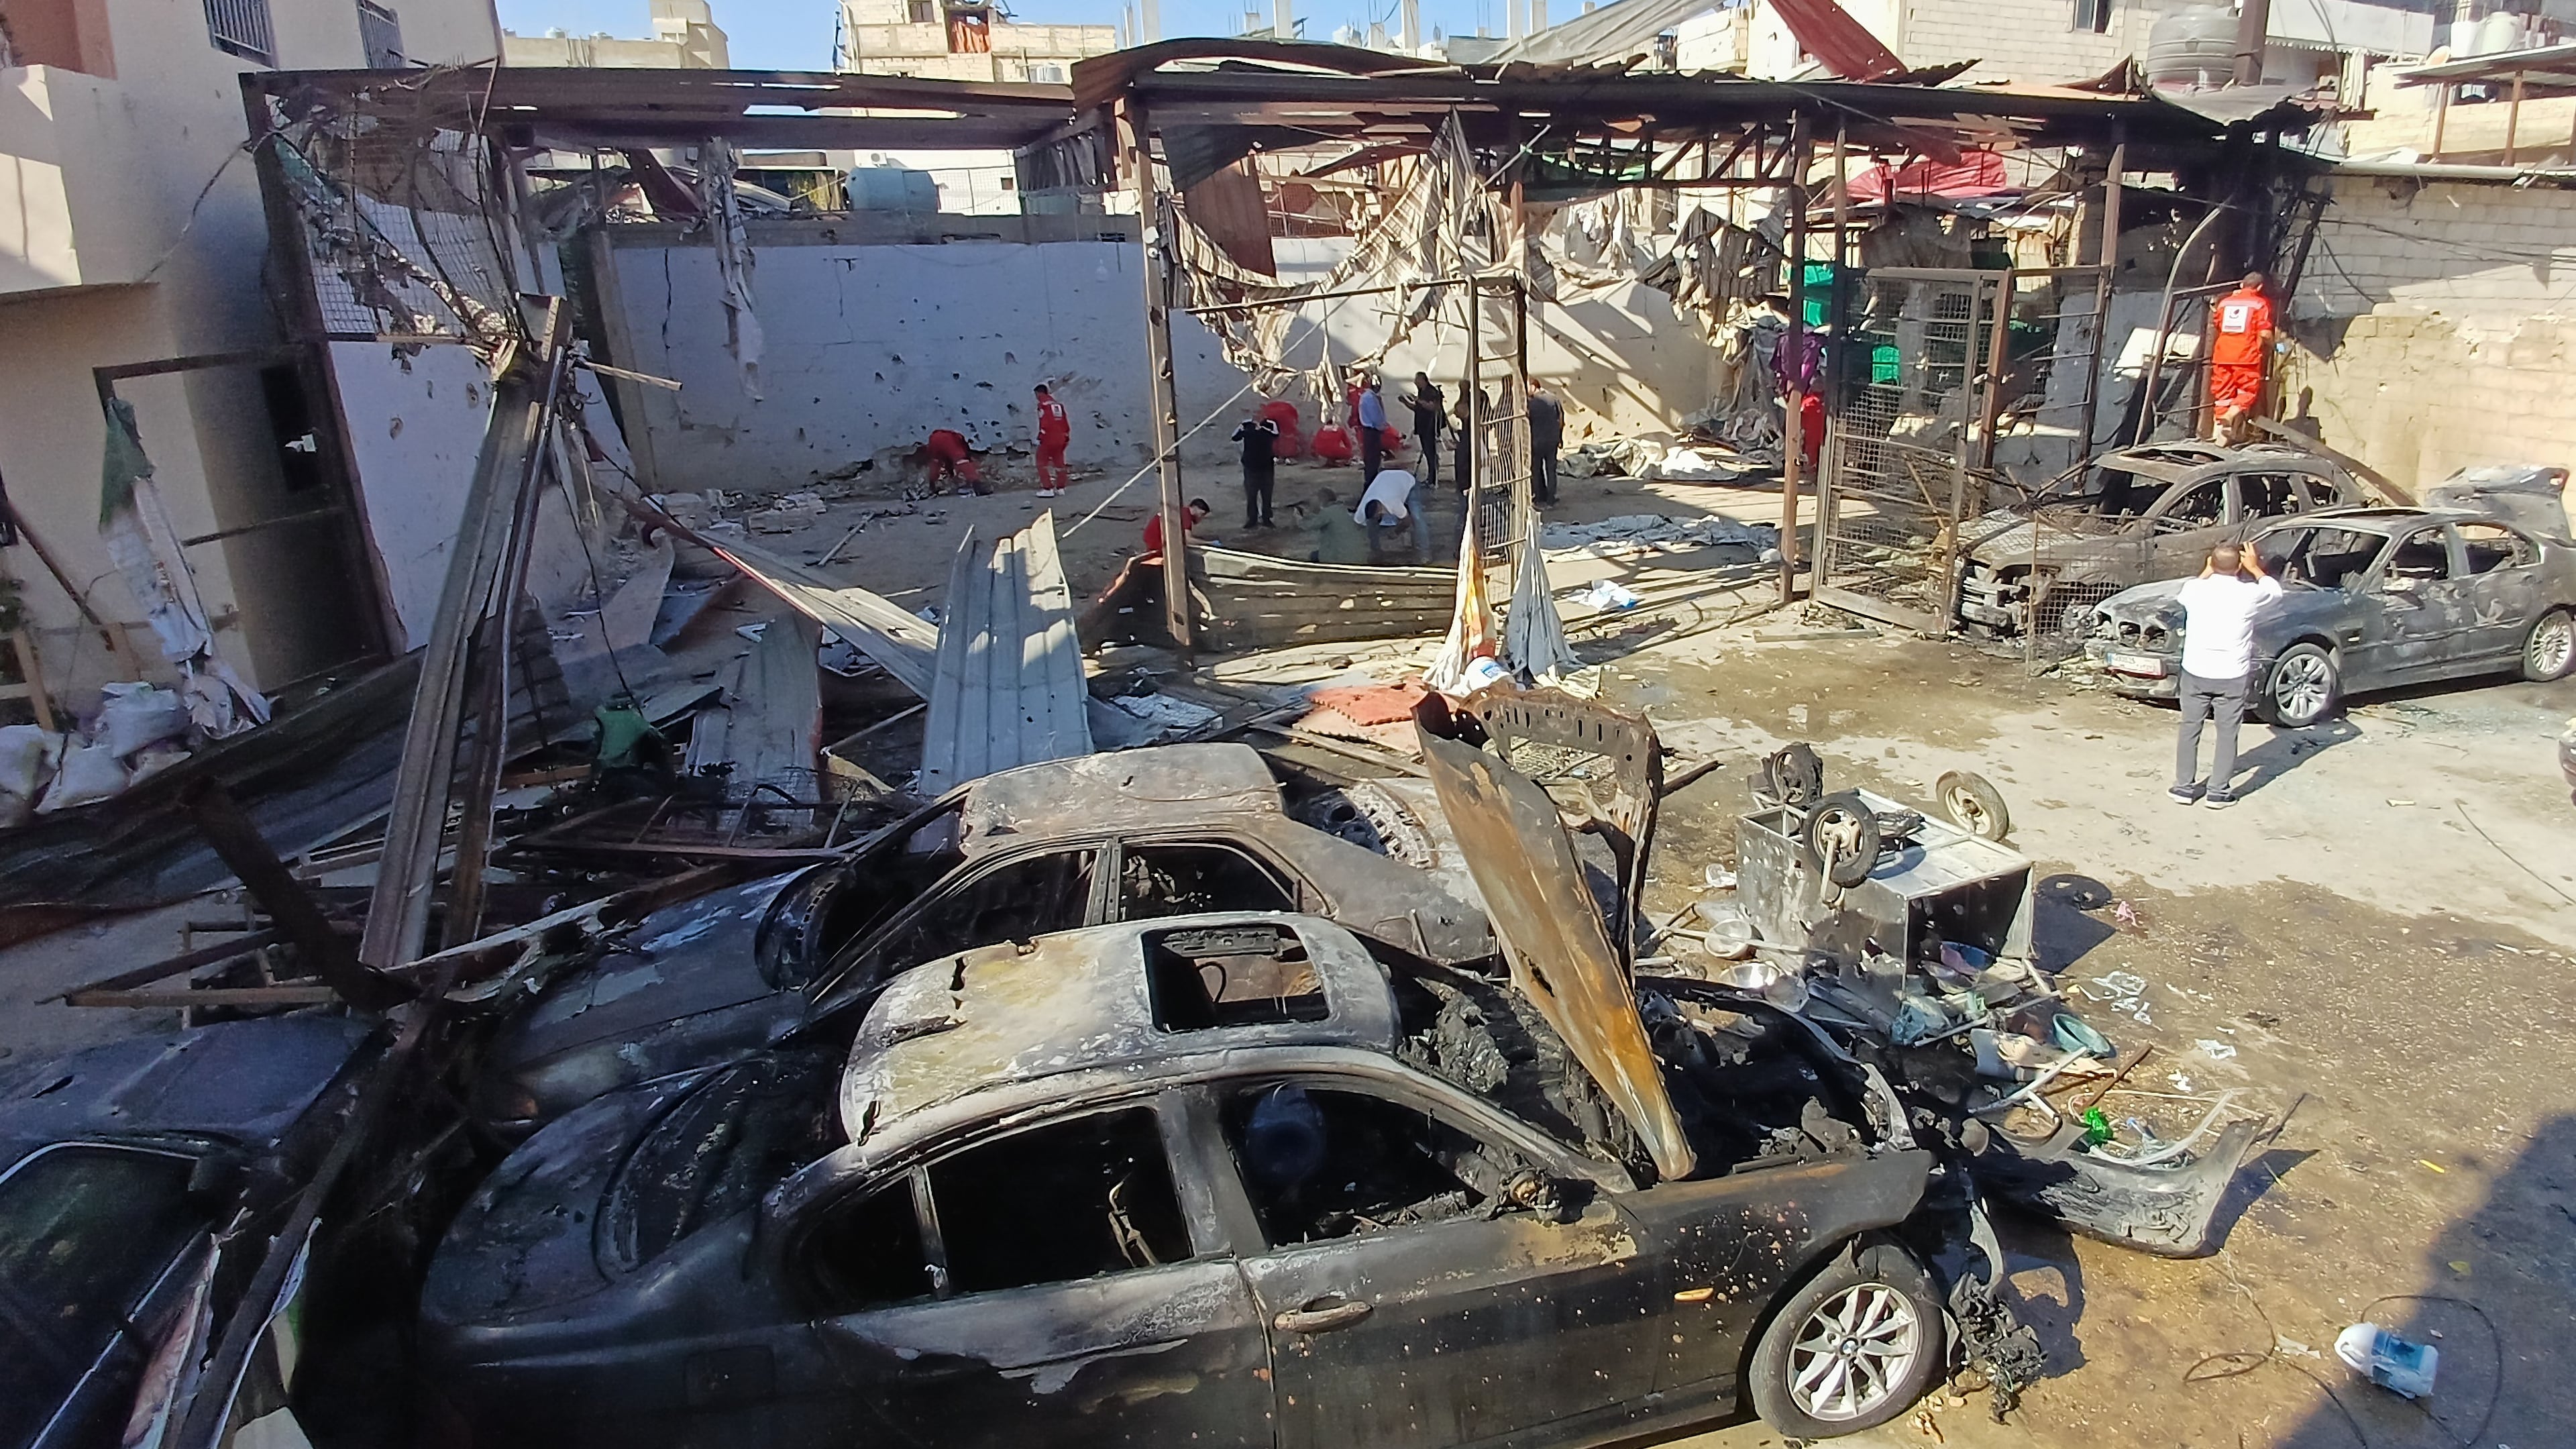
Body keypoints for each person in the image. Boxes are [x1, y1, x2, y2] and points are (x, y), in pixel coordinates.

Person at [2171, 541, 2283, 810]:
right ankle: (2218, 792)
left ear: (2211, 562)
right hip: (2232, 673)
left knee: (2189, 728)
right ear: (2240, 566)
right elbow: (2275, 592)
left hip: (2197, 670)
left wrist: (2208, 570)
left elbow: (2189, 592)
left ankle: (2184, 788)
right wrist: (2255, 568)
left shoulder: (2195, 589)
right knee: (2227, 733)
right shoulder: (2249, 594)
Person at [2208, 272, 2275, 444]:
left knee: (2223, 395)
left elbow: (2218, 324)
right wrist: (2276, 346)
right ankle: (2230, 416)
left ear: (2241, 285)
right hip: (2246, 356)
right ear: (2259, 287)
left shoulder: (2224, 303)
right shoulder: (2260, 304)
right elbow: (2265, 333)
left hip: (2222, 355)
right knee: (2247, 392)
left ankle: (2220, 435)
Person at [1354, 466, 1427, 561]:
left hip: (1406, 480)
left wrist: (1396, 532)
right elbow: (1357, 525)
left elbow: (1407, 520)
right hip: (1383, 477)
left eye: (1379, 516)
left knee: (1417, 516)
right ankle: (1376, 551)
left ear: (1380, 509)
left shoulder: (1393, 503)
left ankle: (1424, 553)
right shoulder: (1362, 508)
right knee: (1371, 524)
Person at [1230, 409, 1281, 529]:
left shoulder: (1270, 425)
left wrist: (1262, 428)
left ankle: (1267, 518)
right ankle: (1252, 519)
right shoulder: (1246, 425)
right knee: (1251, 494)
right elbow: (1235, 437)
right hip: (1250, 466)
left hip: (1267, 466)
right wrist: (1245, 427)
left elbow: (1276, 435)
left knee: (1267, 494)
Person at [1399, 372, 1447, 489]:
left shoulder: (1431, 392)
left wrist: (1418, 400)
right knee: (1427, 453)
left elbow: (1433, 407)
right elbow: (1418, 408)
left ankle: (1433, 479)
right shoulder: (1422, 393)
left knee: (1431, 453)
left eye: (1417, 380)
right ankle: (1430, 478)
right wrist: (1405, 402)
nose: (1415, 383)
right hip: (1422, 427)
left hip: (1430, 427)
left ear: (1423, 380)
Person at [1302, 488, 1371, 564]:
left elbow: (1307, 525)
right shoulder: (1344, 509)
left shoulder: (1328, 512)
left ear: (1321, 502)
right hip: (1360, 558)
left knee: (1313, 556)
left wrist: (1300, 517)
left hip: (1340, 559)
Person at [1527, 384, 1564, 505]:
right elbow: (1561, 420)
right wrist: (1560, 437)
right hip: (1552, 440)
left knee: (1536, 470)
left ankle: (1539, 497)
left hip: (1536, 442)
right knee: (1551, 470)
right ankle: (1551, 498)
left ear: (1534, 386)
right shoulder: (1554, 399)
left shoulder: (1530, 404)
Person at [918, 428, 983, 494]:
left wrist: (951, 473)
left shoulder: (950, 435)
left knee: (935, 462)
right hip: (950, 441)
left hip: (934, 440)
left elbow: (947, 461)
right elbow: (962, 458)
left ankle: (931, 485)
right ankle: (978, 485)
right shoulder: (960, 443)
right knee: (962, 462)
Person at [1032, 384, 1070, 497]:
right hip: (1062, 437)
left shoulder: (1042, 405)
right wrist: (1066, 436)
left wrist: (1041, 436)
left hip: (1049, 438)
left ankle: (1047, 488)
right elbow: (1064, 421)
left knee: (1041, 462)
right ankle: (1061, 488)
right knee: (1059, 462)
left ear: (1038, 393)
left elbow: (1044, 423)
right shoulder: (1058, 405)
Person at [1142, 498, 1210, 555]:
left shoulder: (1180, 511)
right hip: (1158, 541)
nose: (1201, 518)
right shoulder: (1186, 515)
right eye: (1202, 514)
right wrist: (1208, 543)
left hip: (1151, 537)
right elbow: (1188, 540)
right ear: (1195, 508)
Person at [1355, 375, 1389, 482]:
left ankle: (1371, 479)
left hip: (1372, 430)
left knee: (1373, 458)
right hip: (1372, 431)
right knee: (1372, 459)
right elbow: (1376, 416)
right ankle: (1371, 481)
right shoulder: (1369, 398)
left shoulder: (1371, 397)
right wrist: (1382, 426)